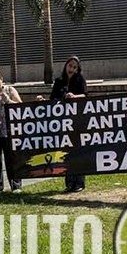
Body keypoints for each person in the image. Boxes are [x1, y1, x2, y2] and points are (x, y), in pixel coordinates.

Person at [37, 56, 87, 193]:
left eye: (74, 67)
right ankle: (69, 182)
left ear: (78, 70)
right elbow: (53, 100)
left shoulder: (80, 80)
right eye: (70, 66)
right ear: (66, 66)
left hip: (76, 121)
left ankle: (79, 182)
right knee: (66, 152)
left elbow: (85, 96)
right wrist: (43, 100)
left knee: (77, 151)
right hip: (62, 122)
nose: (71, 69)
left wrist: (74, 97)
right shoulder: (59, 82)